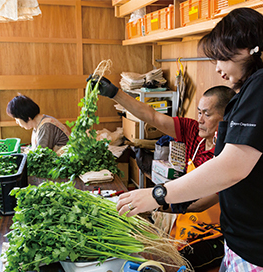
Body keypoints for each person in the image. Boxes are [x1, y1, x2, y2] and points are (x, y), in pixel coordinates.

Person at [111, 7, 263, 271]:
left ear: (246, 49)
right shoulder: (248, 90)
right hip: (240, 238)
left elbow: (232, 167)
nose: (218, 68)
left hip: (252, 243)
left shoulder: (259, 87)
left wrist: (160, 195)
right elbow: (153, 117)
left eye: (221, 58)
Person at [89, 68, 235, 269]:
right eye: (199, 112)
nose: (199, 119)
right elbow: (152, 116)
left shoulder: (230, 155)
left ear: (226, 118)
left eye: (207, 114)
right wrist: (116, 94)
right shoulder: (194, 132)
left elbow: (198, 204)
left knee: (174, 263)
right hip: (182, 221)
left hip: (213, 231)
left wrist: (152, 200)